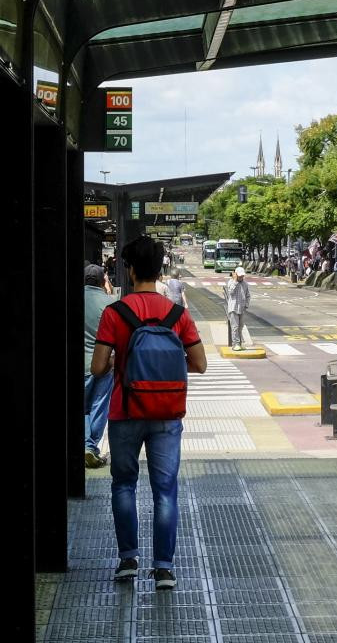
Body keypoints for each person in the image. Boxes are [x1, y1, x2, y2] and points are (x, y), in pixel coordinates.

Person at [90, 236, 207, 589]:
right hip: (167, 413)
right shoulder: (177, 315)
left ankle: (128, 560)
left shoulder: (115, 312)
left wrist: (118, 360)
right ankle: (164, 569)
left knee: (124, 485)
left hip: (125, 411)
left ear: (129, 269)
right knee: (165, 490)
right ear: (160, 271)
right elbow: (199, 363)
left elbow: (97, 368)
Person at [83, 264, 116, 468]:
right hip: (104, 363)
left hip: (79, 364)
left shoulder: (71, 299)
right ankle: (90, 446)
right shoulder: (110, 303)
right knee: (99, 406)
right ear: (102, 280)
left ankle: (86, 446)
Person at [223, 267, 251, 351]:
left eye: (242, 276)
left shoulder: (245, 284)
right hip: (233, 308)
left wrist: (246, 305)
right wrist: (235, 281)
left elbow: (248, 295)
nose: (241, 277)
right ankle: (235, 344)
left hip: (242, 308)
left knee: (240, 326)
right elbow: (231, 292)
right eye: (239, 276)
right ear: (235, 275)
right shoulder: (231, 282)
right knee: (235, 327)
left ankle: (239, 344)